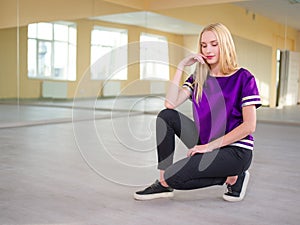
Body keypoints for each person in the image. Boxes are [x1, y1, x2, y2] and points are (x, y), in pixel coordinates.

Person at [134, 23, 261, 202]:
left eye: (214, 44)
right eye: (203, 45)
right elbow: (170, 104)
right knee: (166, 116)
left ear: (225, 45)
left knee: (175, 176)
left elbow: (249, 126)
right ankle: (163, 183)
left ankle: (233, 177)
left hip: (236, 150)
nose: (208, 49)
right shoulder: (198, 78)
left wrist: (208, 147)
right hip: (206, 143)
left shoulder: (243, 78)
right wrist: (181, 66)